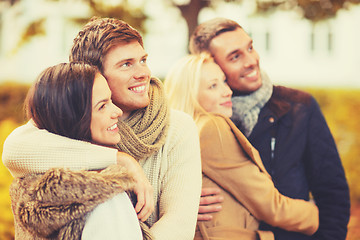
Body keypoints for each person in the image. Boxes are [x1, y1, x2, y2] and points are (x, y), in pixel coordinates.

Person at [2, 17, 202, 240]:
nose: (144, 73)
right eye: (126, 64)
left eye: (143, 60)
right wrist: (121, 160)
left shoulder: (178, 127)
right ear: (91, 74)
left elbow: (178, 224)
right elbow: (14, 150)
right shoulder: (69, 125)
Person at [189, 18, 350, 240]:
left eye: (250, 48)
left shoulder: (298, 107)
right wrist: (183, 201)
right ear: (212, 64)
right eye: (235, 56)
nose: (252, 60)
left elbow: (332, 193)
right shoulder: (200, 121)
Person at [164, 53, 319, 240]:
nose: (227, 91)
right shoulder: (213, 127)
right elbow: (270, 205)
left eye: (223, 82)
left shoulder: (184, 132)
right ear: (190, 95)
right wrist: (315, 213)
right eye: (213, 86)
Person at [8, 62, 150, 239]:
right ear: (73, 119)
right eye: (102, 106)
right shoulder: (106, 198)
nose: (117, 111)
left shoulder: (30, 193)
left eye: (111, 100)